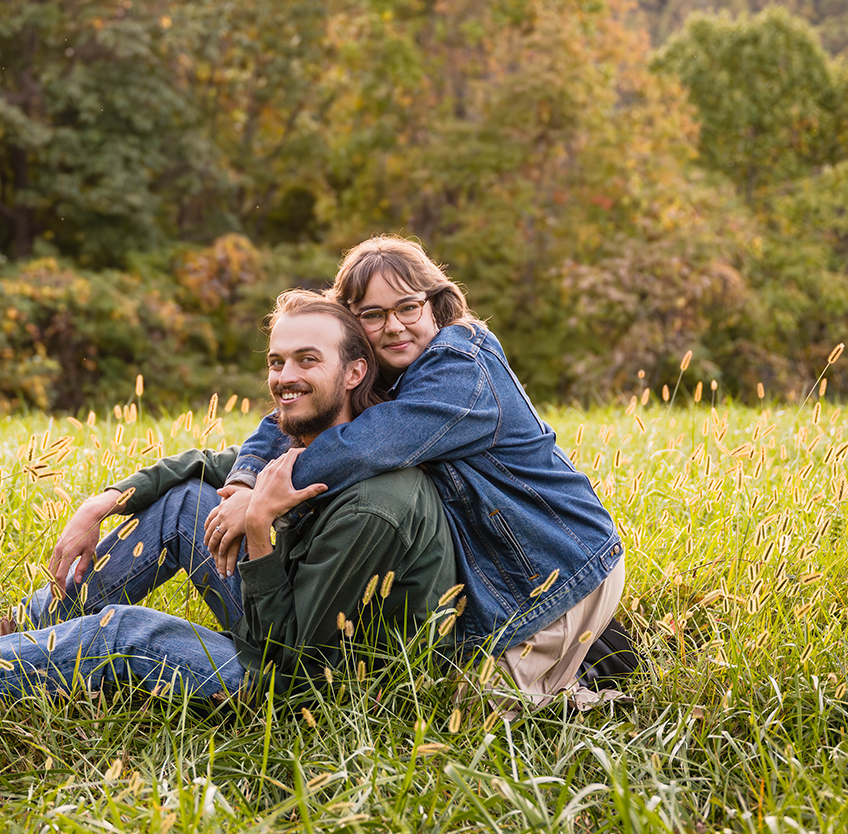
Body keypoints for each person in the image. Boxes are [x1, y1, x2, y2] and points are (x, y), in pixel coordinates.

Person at [0, 291, 456, 708]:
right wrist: (103, 502)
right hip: (292, 627)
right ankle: (12, 633)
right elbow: (207, 464)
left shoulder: (377, 502)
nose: (285, 377)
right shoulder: (318, 437)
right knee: (188, 502)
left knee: (128, 634)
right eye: (278, 361)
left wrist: (257, 531)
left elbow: (293, 656)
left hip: (313, 685)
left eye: (308, 361)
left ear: (355, 371)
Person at [207, 236, 629, 709]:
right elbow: (281, 419)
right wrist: (245, 479)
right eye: (372, 314)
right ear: (354, 324)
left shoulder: (462, 366)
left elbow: (367, 445)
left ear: (435, 304)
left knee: (467, 713)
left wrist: (266, 497)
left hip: (556, 567)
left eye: (407, 307)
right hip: (503, 567)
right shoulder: (390, 369)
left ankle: (585, 687)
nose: (393, 326)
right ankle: (587, 660)